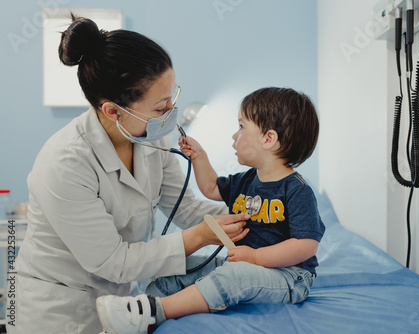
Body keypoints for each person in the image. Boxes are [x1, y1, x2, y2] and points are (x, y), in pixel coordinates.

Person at [8, 14, 249, 334]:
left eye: (172, 97)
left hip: (119, 296)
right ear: (112, 110)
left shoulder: (151, 138)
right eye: (161, 106)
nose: (171, 114)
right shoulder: (64, 163)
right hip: (59, 309)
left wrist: (252, 211)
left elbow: (188, 208)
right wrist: (200, 237)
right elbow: (113, 261)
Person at [96, 87, 326, 334]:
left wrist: (257, 258)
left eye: (241, 127)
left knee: (236, 276)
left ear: (268, 139)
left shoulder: (297, 190)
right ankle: (137, 314)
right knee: (183, 266)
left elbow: (306, 245)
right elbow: (211, 187)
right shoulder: (247, 180)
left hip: (288, 277)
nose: (234, 137)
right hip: (242, 262)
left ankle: (154, 313)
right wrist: (199, 157)